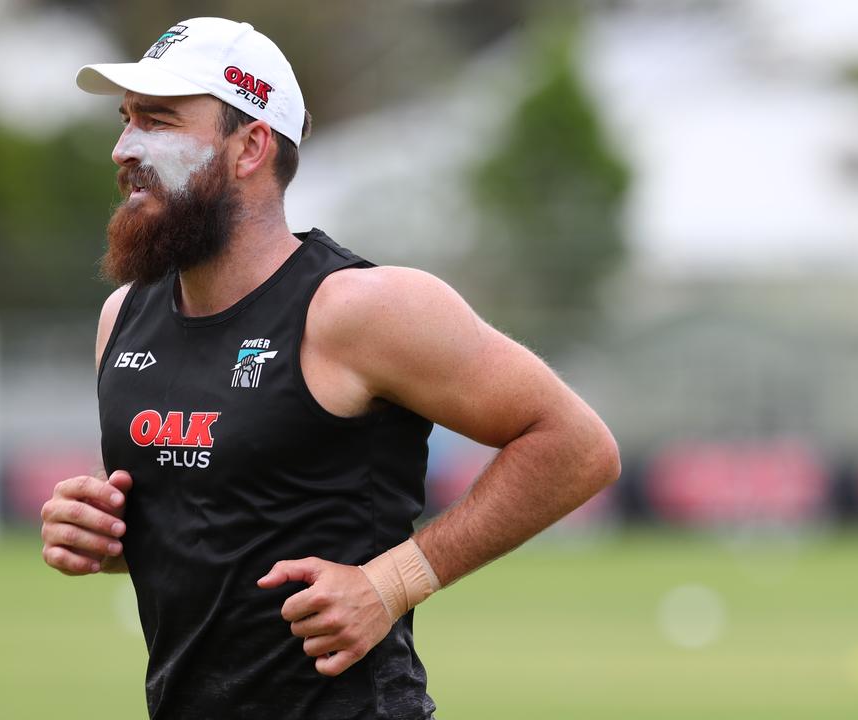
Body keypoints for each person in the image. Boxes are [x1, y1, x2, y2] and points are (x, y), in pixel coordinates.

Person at [39, 16, 620, 720]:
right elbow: (222, 525)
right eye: (126, 121)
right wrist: (104, 534)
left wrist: (394, 579)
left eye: (158, 122)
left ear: (249, 146)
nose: (123, 148)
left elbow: (577, 446)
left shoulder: (357, 309)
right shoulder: (124, 317)